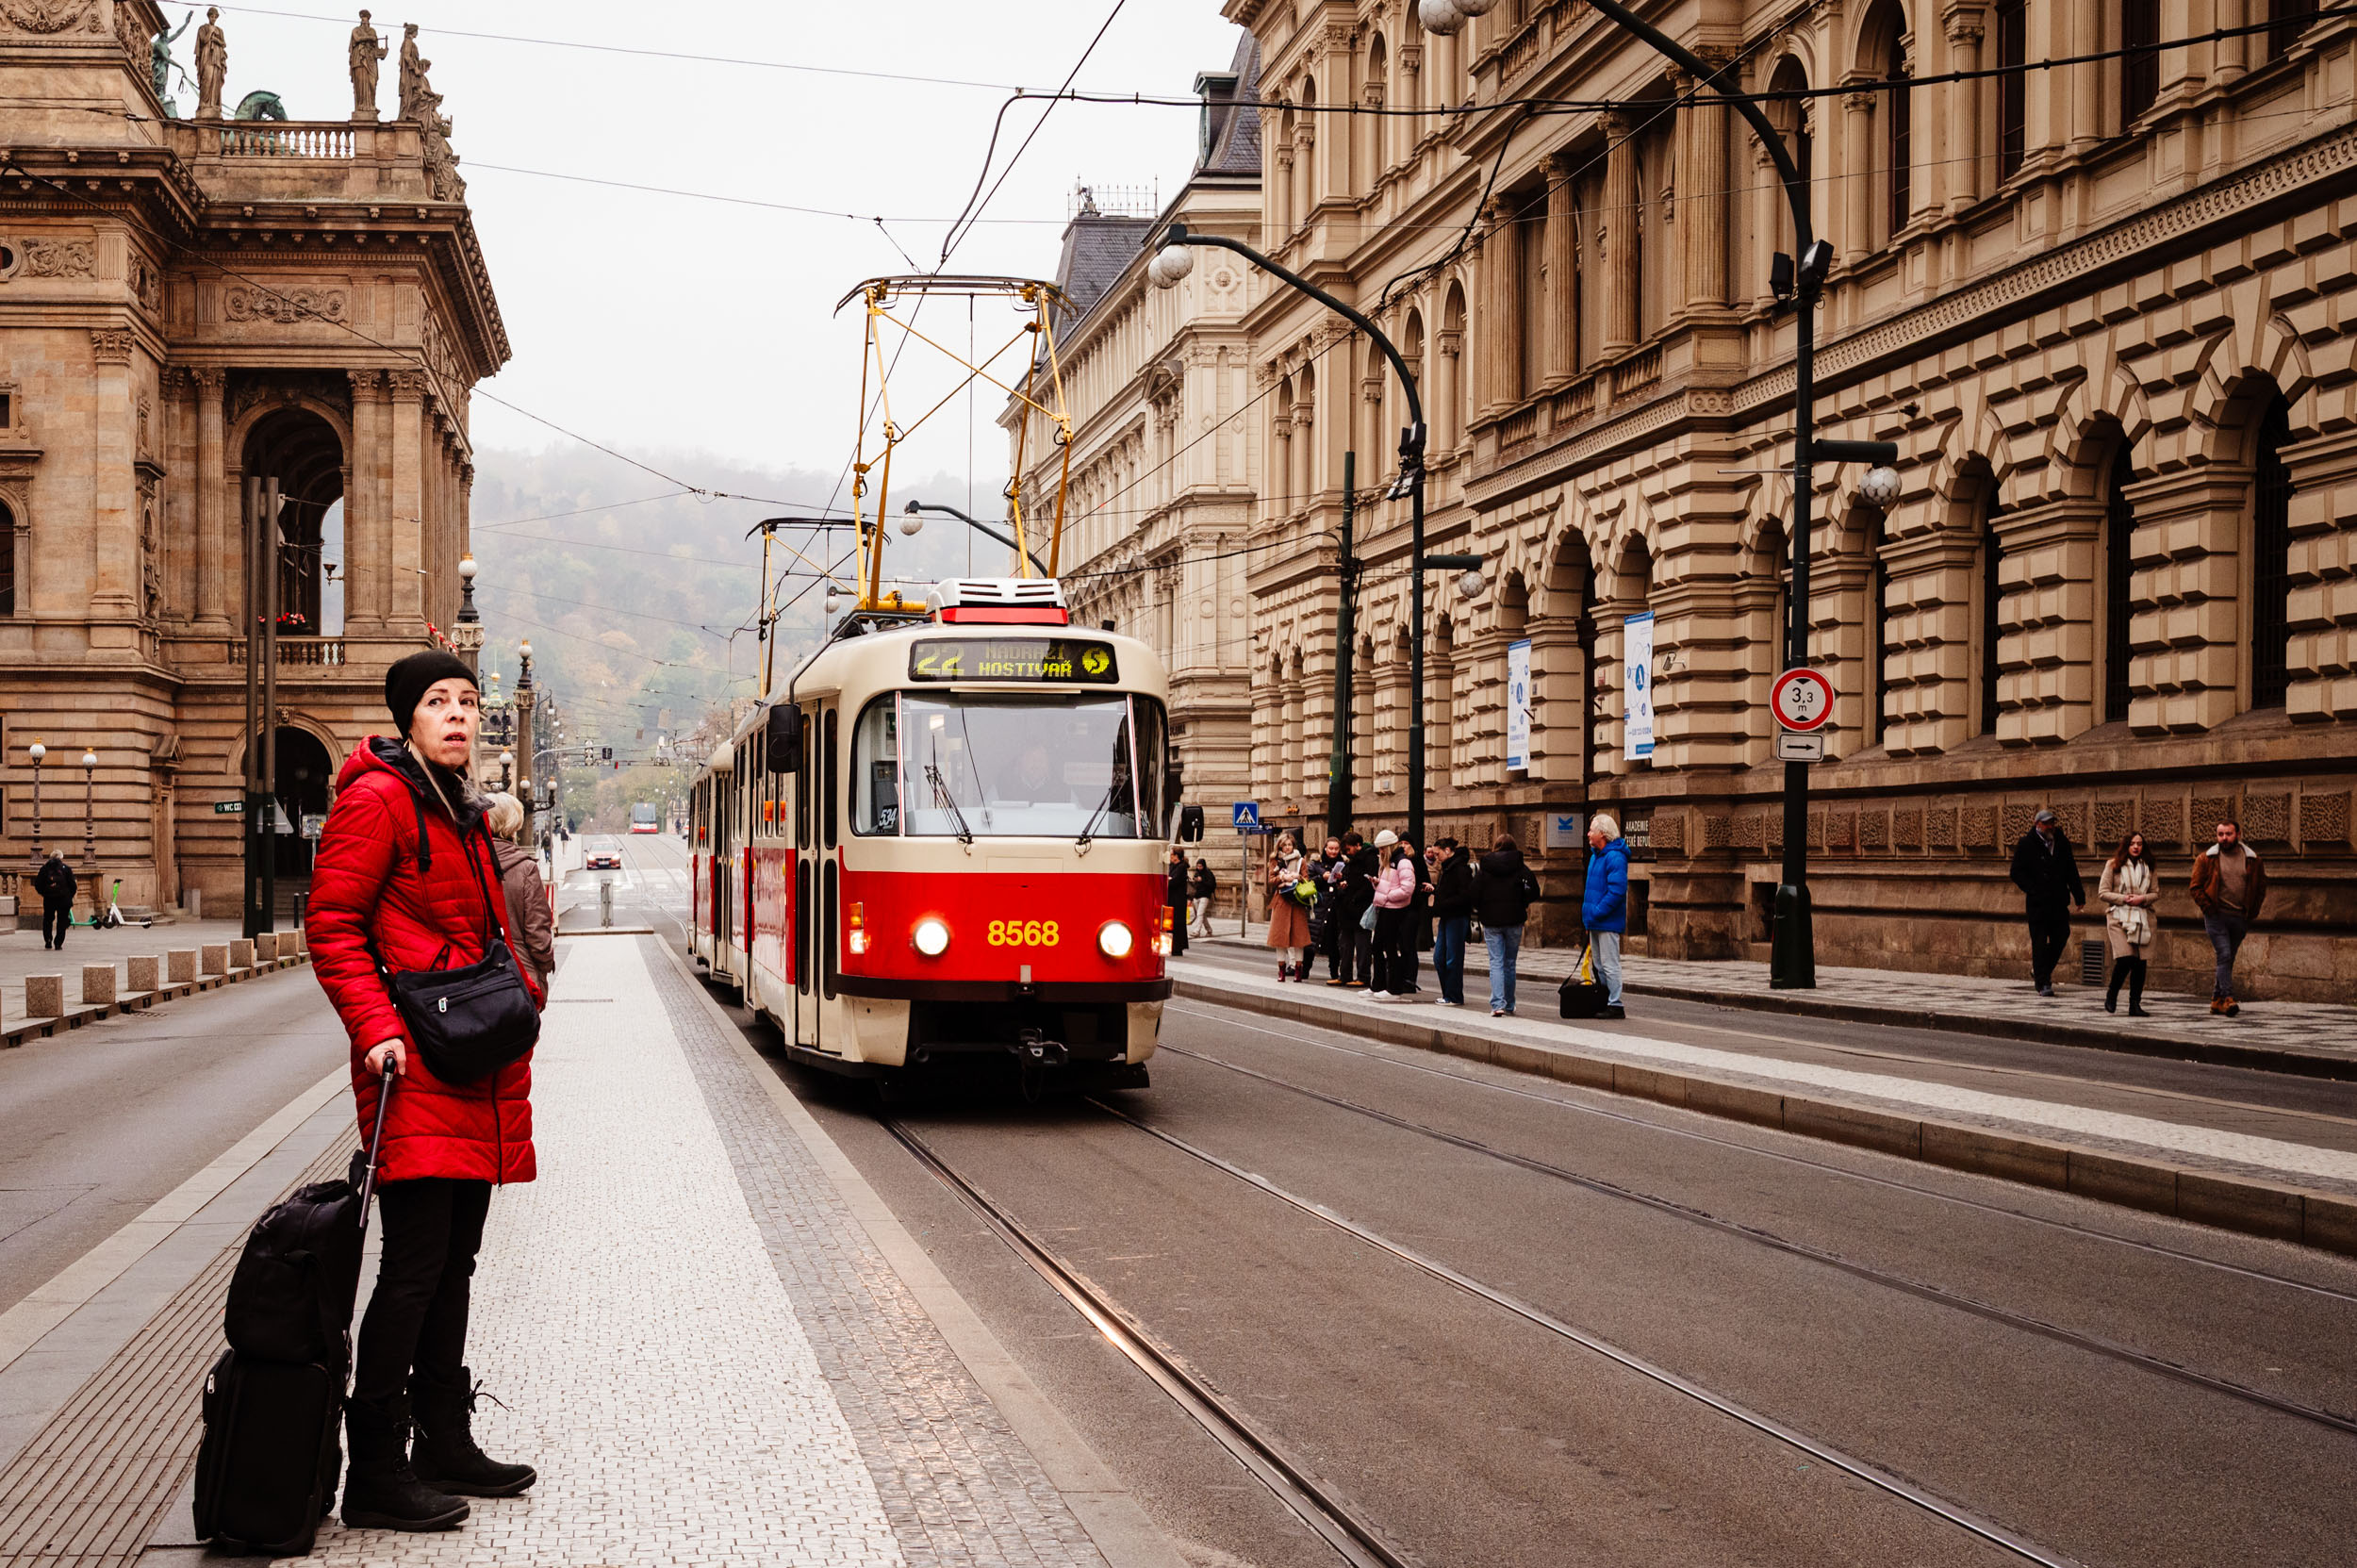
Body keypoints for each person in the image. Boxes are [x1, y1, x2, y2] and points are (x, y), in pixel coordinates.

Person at [307, 651, 543, 1533]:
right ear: (406, 716)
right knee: (411, 1271)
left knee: (454, 1265)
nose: (457, 714)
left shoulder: (460, 810)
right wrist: (377, 1030)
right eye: (438, 701)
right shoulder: (378, 799)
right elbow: (331, 925)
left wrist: (526, 997)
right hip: (415, 1065)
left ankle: (444, 1436)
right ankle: (374, 1465)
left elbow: (490, 933)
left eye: (468, 700)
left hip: (474, 1061)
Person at [2190, 817, 2266, 1016]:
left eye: (2228, 834)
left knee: (2228, 959)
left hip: (2239, 917)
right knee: (2223, 954)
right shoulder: (2206, 859)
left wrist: (2251, 913)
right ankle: (2228, 998)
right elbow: (2195, 887)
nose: (2224, 838)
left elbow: (2260, 888)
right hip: (2216, 916)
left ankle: (2216, 1000)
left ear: (2238, 835)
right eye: (2220, 834)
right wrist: (2209, 909)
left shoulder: (2253, 860)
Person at [483, 793, 555, 997]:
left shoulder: (465, 862)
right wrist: (546, 964)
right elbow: (537, 933)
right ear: (514, 824)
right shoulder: (525, 869)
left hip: (476, 978)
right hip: (520, 975)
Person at [2008, 807, 2085, 997]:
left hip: (2058, 901)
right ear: (2037, 824)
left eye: (2052, 822)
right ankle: (2043, 983)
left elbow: (2071, 869)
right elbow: (2016, 872)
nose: (2051, 826)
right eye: (2046, 823)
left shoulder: (2061, 842)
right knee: (2040, 943)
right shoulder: (2027, 844)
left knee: (2062, 935)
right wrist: (2032, 889)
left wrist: (2079, 895)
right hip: (2038, 904)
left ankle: (2039, 970)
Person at [1475, 833, 1539, 1016]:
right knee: (1509, 963)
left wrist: (1482, 908)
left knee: (1496, 962)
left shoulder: (1485, 868)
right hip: (1514, 920)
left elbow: (1474, 892)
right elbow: (1534, 891)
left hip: (1492, 921)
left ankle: (1497, 1004)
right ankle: (1509, 1004)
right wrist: (1522, 903)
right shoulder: (1521, 867)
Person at [2098, 831, 2157, 1017]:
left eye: (2139, 843)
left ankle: (2135, 1004)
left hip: (2143, 918)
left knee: (2140, 962)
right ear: (2126, 846)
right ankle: (2112, 993)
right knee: (2126, 957)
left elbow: (2156, 892)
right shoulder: (2113, 865)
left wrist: (2143, 898)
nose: (2136, 847)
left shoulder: (2149, 866)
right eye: (2132, 843)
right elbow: (2103, 892)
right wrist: (2124, 898)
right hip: (2118, 917)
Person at [1580, 817, 1629, 1019]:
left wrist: (1597, 912)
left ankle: (1615, 1003)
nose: (1588, 834)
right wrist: (1588, 919)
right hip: (1595, 921)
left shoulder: (1615, 857)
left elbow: (1617, 891)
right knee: (1598, 964)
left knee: (1610, 964)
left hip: (1607, 921)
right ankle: (1604, 998)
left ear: (1603, 833)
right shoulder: (1595, 856)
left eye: (1592, 831)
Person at [1367, 832, 1418, 999]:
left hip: (1395, 909)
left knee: (1390, 948)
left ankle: (1394, 988)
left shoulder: (1403, 862)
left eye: (1382, 848)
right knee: (1377, 946)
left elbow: (1407, 888)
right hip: (1385, 906)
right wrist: (1377, 884)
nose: (1380, 852)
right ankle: (1378, 984)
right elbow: (1391, 884)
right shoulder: (1390, 861)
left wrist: (1387, 895)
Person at [1428, 838, 1475, 1007]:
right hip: (1446, 917)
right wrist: (1434, 889)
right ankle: (1448, 993)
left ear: (1447, 850)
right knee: (1439, 957)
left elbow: (1465, 896)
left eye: (1438, 853)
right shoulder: (1447, 869)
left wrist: (1443, 904)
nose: (1436, 856)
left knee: (1453, 958)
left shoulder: (1460, 869)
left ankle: (1454, 995)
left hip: (1457, 917)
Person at [1330, 830, 1378, 988]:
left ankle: (1363, 976)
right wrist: (1343, 881)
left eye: (1349, 849)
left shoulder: (1369, 858)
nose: (1347, 852)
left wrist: (1354, 897)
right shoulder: (1351, 861)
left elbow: (1368, 884)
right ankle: (1344, 975)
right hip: (1347, 908)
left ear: (1358, 846)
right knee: (1345, 944)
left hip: (1360, 907)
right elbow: (1351, 879)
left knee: (1362, 943)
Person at [1263, 830, 1312, 981]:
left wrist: (1297, 877)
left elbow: (1306, 879)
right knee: (1279, 939)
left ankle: (1298, 971)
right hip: (1281, 903)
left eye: (1289, 845)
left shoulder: (1300, 861)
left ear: (1293, 846)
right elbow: (1271, 880)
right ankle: (1281, 972)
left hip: (1297, 902)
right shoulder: (1275, 861)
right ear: (1280, 847)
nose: (1287, 848)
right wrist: (1282, 877)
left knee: (1299, 939)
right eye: (1284, 845)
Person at [33, 850, 74, 950]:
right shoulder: (66, 869)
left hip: (49, 899)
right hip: (64, 900)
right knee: (62, 921)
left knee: (48, 920)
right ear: (61, 858)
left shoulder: (44, 869)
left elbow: (38, 884)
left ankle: (48, 939)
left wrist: (45, 893)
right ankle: (58, 943)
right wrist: (69, 896)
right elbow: (73, 885)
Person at [1165, 846, 1191, 957]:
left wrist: (1169, 879)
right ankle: (1170, 946)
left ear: (1176, 856)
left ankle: (1177, 947)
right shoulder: (1171, 866)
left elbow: (1173, 881)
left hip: (1178, 900)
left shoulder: (1181, 867)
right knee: (1169, 924)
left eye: (1172, 854)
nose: (1170, 857)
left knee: (1177, 923)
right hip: (1171, 898)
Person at [1189, 858, 1216, 937]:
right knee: (1201, 914)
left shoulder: (1208, 873)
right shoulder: (1197, 873)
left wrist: (1202, 880)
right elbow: (1194, 886)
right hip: (1196, 896)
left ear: (1204, 866)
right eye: (1197, 866)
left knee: (1200, 914)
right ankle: (1209, 930)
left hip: (1205, 896)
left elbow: (1211, 885)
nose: (1199, 868)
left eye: (1200, 866)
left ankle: (1197, 931)